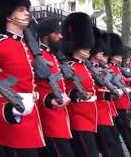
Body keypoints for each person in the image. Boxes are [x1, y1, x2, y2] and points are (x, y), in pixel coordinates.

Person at [0, 0, 50, 156]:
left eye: (27, 9)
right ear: (8, 14)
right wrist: (4, 111)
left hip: (33, 120)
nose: (27, 13)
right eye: (20, 10)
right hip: (13, 124)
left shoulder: (27, 45)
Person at [61, 12, 99, 157]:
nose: (89, 49)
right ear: (76, 46)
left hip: (90, 115)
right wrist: (77, 95)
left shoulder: (85, 66)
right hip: (79, 116)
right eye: (85, 46)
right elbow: (66, 89)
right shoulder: (70, 66)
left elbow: (93, 89)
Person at [35, 17, 74, 157]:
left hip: (60, 116)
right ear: (45, 36)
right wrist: (50, 99)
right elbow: (35, 86)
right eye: (56, 33)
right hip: (49, 118)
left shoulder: (53, 56)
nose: (60, 36)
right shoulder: (39, 56)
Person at [90, 27, 126, 157]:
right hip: (96, 110)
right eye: (100, 51)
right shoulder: (87, 68)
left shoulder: (99, 67)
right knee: (107, 145)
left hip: (106, 109)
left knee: (113, 142)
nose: (102, 53)